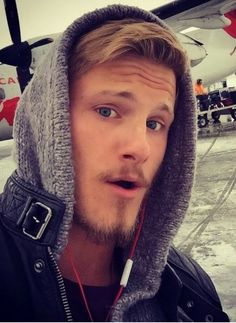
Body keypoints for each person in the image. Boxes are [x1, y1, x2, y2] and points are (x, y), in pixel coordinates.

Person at [0, 4, 229, 322]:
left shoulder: (193, 292)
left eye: (155, 123)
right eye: (107, 111)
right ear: (46, 123)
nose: (140, 148)